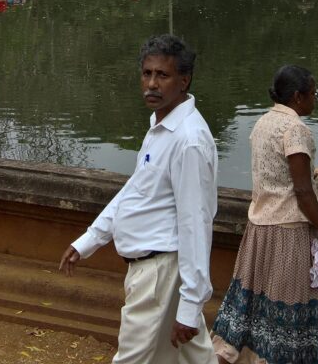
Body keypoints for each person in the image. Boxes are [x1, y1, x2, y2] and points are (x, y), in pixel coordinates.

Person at [59, 34, 217, 364]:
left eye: (163, 75)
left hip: (160, 272)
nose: (152, 84)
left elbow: (195, 222)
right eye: (147, 74)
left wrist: (190, 305)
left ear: (184, 80)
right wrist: (90, 239)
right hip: (156, 270)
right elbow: (136, 190)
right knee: (193, 359)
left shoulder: (188, 140)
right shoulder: (161, 127)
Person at [212, 65, 318, 363]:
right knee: (286, 309)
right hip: (288, 232)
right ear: (297, 97)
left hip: (259, 228)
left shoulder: (264, 122)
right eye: (312, 94)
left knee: (251, 307)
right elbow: (303, 192)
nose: (314, 100)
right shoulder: (295, 131)